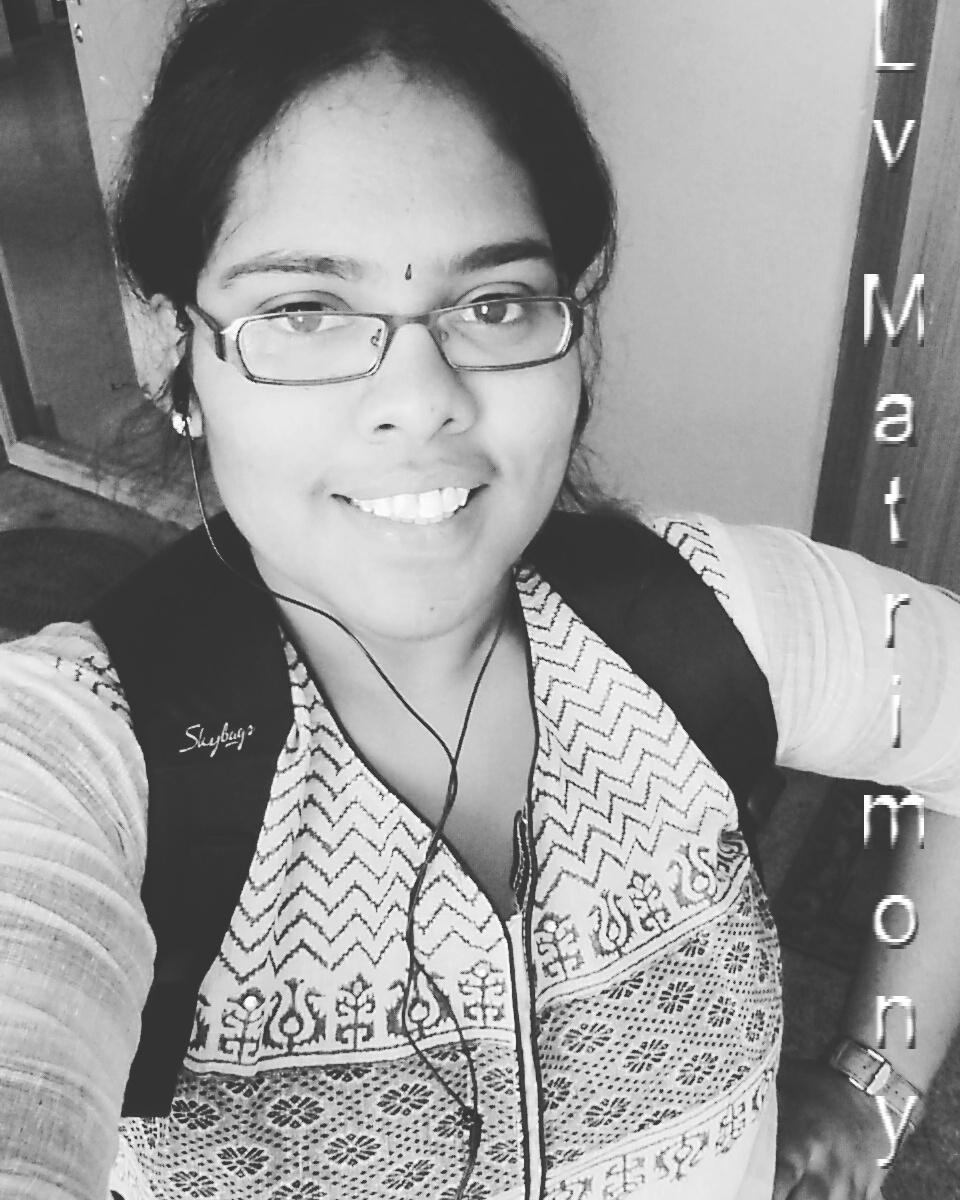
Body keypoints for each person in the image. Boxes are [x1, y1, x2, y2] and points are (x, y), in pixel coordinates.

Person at [1, 1, 959, 1198]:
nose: (422, 399)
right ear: (174, 353)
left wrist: (878, 1080)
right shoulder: (77, 753)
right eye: (303, 309)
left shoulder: (711, 617)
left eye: (494, 302)